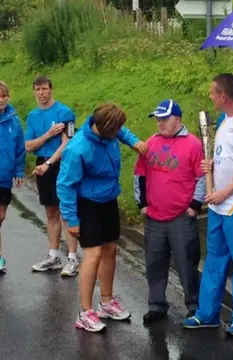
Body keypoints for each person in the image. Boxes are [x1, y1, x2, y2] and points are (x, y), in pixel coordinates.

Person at [25, 75, 146, 276]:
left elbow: (68, 143)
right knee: (51, 212)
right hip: (42, 164)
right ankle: (53, 255)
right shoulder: (32, 115)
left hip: (61, 162)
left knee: (67, 211)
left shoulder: (65, 113)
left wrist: (49, 162)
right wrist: (47, 135)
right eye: (37, 89)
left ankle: (72, 257)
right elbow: (29, 145)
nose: (41, 93)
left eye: (44, 88)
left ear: (51, 89)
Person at [183, 73, 233, 336]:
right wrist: (212, 165)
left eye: (212, 92)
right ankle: (207, 314)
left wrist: (224, 192)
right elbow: (228, 157)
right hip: (218, 205)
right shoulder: (221, 120)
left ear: (224, 96)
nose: (209, 96)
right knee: (214, 260)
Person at [57, 103, 132, 332]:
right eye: (117, 129)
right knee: (94, 254)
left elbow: (123, 132)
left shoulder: (108, 131)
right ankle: (84, 312)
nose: (119, 133)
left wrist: (135, 141)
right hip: (87, 203)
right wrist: (71, 219)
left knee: (110, 249)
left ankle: (106, 303)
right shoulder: (78, 148)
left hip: (108, 197)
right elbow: (65, 185)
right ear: (106, 127)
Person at [133, 99, 205, 324]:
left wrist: (195, 205)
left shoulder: (193, 144)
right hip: (154, 216)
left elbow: (202, 176)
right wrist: (142, 203)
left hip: (181, 216)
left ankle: (194, 305)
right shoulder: (151, 143)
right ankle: (157, 304)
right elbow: (139, 174)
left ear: (178, 119)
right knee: (154, 263)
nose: (160, 123)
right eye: (157, 119)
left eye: (164, 118)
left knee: (187, 264)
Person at [0, 81, 25, 273]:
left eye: (4, 95)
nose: (1, 100)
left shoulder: (13, 120)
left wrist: (18, 171)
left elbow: (19, 149)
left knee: (1, 216)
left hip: (5, 177)